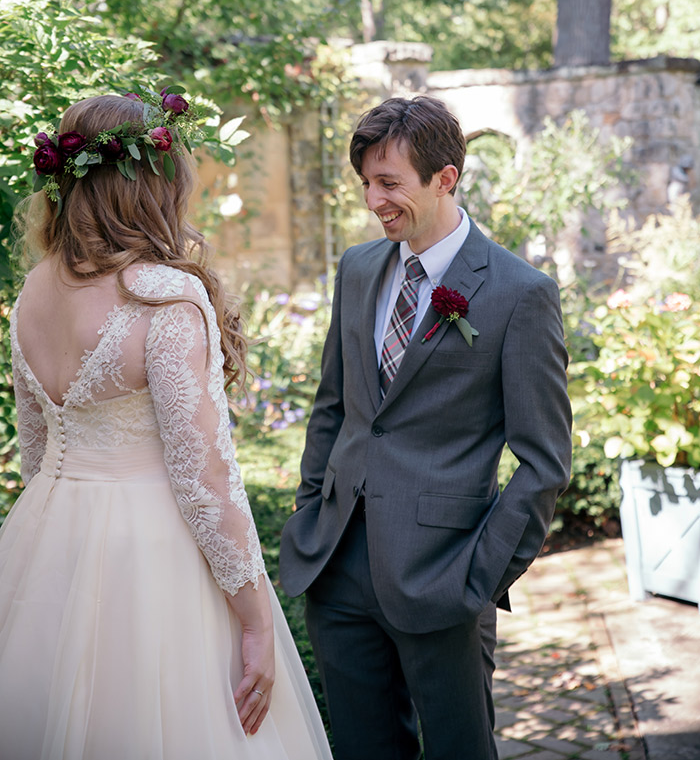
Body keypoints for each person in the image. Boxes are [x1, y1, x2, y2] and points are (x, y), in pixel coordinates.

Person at [0, 89, 332, 760]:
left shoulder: (32, 290)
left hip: (44, 535)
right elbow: (205, 474)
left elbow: (34, 451)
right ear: (152, 184)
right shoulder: (165, 299)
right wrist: (255, 619)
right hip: (151, 556)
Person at [279, 95, 572, 760]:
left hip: (445, 577)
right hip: (338, 569)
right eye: (365, 184)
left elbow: (545, 459)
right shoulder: (357, 268)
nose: (373, 199)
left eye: (389, 183)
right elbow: (335, 406)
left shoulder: (518, 292)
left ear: (446, 177)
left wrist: (482, 574)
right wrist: (310, 511)